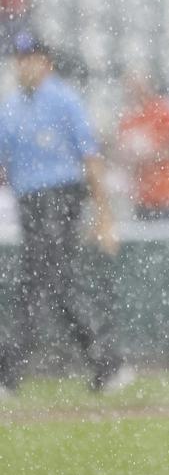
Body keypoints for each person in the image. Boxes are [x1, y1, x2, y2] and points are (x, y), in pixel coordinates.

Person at [0, 32, 130, 393]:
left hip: (61, 196)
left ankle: (7, 371)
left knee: (35, 281)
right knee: (54, 285)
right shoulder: (9, 107)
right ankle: (106, 362)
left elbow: (90, 159)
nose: (24, 65)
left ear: (46, 62)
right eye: (20, 59)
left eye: (31, 58)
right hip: (29, 200)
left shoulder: (63, 100)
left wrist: (103, 215)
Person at [117, 73, 169, 220]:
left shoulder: (163, 111)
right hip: (142, 196)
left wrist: (152, 153)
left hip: (167, 193)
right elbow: (121, 154)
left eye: (138, 87)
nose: (134, 92)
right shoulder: (128, 118)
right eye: (130, 88)